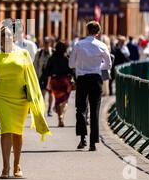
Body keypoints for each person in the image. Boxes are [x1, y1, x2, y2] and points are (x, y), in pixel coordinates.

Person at [0, 21, 51, 179]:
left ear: (13, 37)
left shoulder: (24, 53)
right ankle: (5, 167)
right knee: (6, 130)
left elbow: (31, 78)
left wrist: (35, 100)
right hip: (2, 98)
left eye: (8, 35)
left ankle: (17, 165)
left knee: (18, 133)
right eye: (2, 35)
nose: (5, 37)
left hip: (20, 99)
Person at [69, 21, 112, 152]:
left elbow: (71, 64)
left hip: (82, 78)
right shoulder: (102, 45)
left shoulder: (78, 45)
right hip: (96, 78)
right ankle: (93, 142)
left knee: (80, 109)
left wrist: (81, 65)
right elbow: (108, 64)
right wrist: (99, 67)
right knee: (95, 110)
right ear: (98, 32)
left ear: (87, 30)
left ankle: (83, 139)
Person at [46, 41, 74, 127]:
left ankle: (59, 117)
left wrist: (47, 83)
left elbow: (48, 71)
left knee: (57, 100)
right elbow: (71, 70)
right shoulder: (67, 58)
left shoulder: (52, 58)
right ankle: (62, 116)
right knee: (65, 100)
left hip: (54, 81)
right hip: (65, 81)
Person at [34, 36, 55, 116]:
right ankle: (42, 109)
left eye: (47, 43)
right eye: (45, 42)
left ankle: (49, 109)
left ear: (50, 43)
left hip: (51, 77)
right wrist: (35, 76)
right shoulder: (39, 53)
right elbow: (35, 65)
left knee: (51, 93)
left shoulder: (53, 52)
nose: (46, 44)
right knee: (42, 93)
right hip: (42, 76)